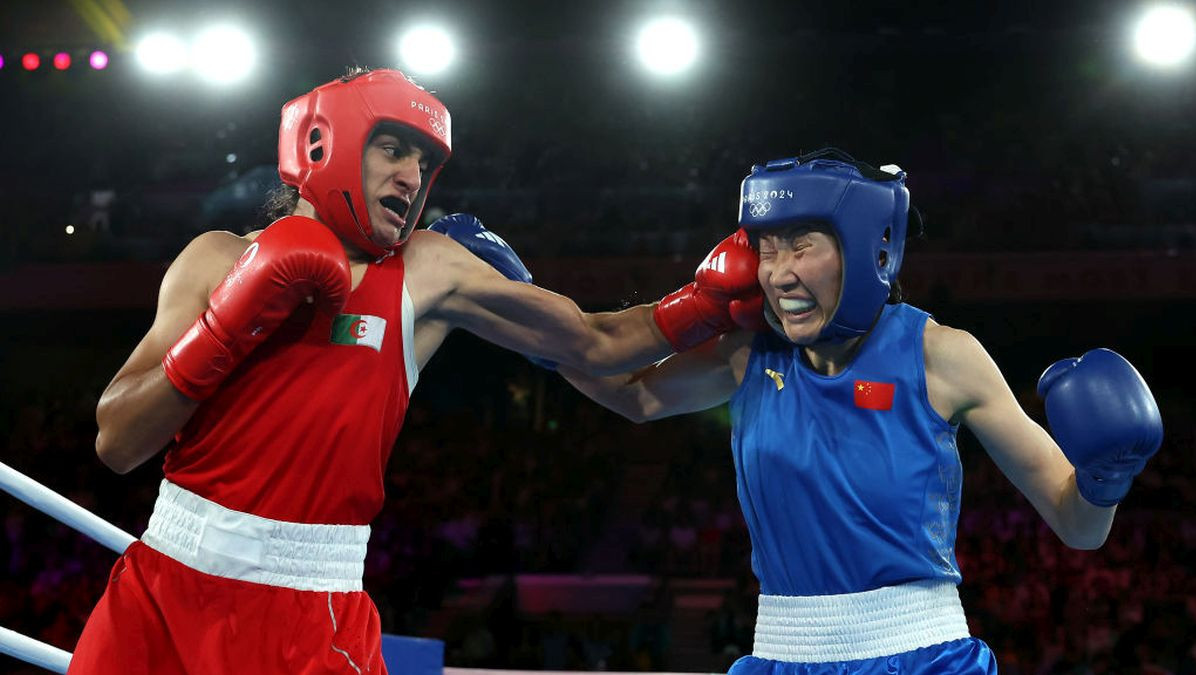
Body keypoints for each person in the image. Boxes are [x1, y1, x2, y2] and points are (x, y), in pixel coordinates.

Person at [70, 67, 762, 674]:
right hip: (163, 588)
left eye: (426, 163)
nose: (412, 175)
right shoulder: (215, 257)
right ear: (323, 142)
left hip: (310, 611)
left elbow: (597, 342)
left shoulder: (425, 270)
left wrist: (705, 305)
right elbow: (118, 442)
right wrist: (227, 324)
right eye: (394, 148)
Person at [545, 149, 1164, 673]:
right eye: (765, 248)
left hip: (918, 651)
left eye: (801, 245)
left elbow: (1079, 528)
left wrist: (1103, 482)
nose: (778, 274)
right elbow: (632, 393)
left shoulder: (941, 355)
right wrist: (523, 315)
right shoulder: (748, 352)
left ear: (870, 248)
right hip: (780, 650)